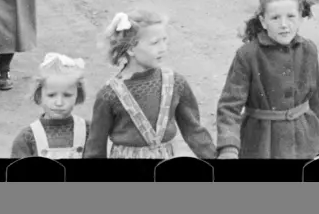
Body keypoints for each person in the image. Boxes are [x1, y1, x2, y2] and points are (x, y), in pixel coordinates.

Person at [216, 0, 319, 160]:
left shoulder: (308, 49)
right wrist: (228, 147)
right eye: (275, 18)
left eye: (291, 16)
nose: (284, 25)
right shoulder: (248, 55)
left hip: (301, 137)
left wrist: (317, 132)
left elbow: (314, 95)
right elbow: (229, 106)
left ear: (301, 17)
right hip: (261, 140)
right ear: (263, 21)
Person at [84, 8, 218, 159]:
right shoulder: (109, 95)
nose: (163, 48)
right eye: (154, 43)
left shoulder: (175, 83)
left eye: (164, 40)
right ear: (131, 49)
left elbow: (194, 131)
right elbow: (95, 146)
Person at [9, 53, 90, 160]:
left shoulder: (88, 131)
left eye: (67, 95)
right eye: (51, 95)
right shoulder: (27, 138)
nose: (59, 102)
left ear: (78, 95)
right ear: (39, 95)